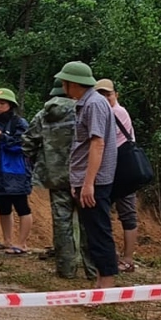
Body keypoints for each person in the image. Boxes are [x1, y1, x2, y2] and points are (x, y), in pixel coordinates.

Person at [56, 61, 119, 288]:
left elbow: (97, 143)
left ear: (72, 84)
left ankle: (107, 286)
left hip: (95, 180)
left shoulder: (94, 104)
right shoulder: (87, 103)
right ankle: (102, 282)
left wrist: (89, 183)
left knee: (99, 232)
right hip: (86, 179)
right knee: (93, 232)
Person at [24, 83, 89, 279]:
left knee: (62, 223)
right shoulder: (83, 111)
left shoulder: (43, 114)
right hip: (84, 177)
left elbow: (27, 144)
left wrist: (44, 162)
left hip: (55, 177)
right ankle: (93, 270)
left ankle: (66, 270)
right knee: (88, 223)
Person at [0, 88, 33, 254]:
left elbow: (24, 145)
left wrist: (1, 137)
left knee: (22, 207)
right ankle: (7, 241)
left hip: (16, 172)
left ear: (10, 105)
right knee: (4, 207)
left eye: (2, 103)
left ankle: (22, 243)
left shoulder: (20, 123)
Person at [94, 79, 140, 272]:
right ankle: (114, 256)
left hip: (120, 171)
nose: (105, 98)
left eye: (108, 94)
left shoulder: (117, 112)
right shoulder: (108, 112)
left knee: (126, 213)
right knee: (111, 213)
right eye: (101, 95)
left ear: (116, 95)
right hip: (112, 169)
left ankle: (127, 259)